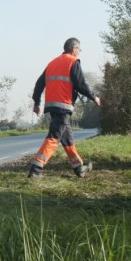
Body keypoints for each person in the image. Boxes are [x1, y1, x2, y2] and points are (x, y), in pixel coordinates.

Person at [29, 37, 101, 178]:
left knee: (67, 139)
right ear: (74, 49)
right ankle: (36, 169)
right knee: (53, 137)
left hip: (52, 106)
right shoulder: (73, 62)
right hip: (63, 106)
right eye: (79, 50)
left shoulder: (52, 63)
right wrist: (94, 97)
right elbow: (81, 85)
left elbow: (39, 84)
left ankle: (79, 167)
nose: (80, 52)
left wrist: (37, 103)